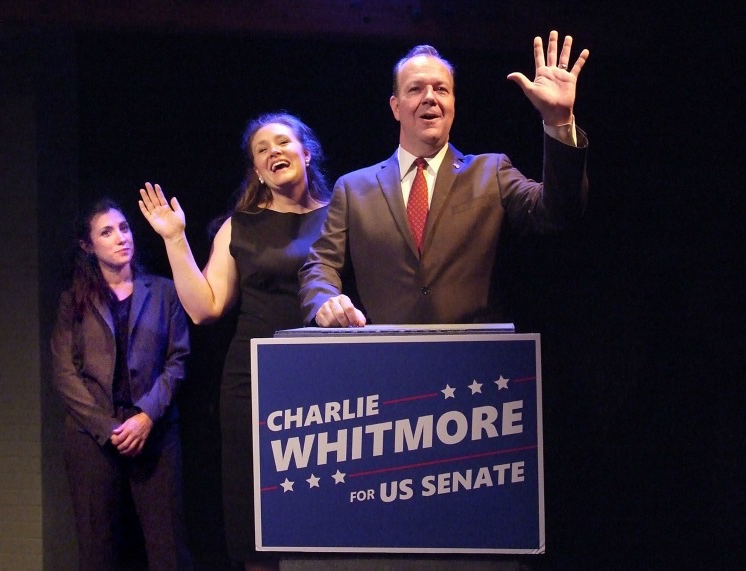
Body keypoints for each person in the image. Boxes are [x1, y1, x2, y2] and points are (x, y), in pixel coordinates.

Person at [138, 112, 331, 571]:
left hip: (327, 378)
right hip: (255, 384)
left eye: (282, 142)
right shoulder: (238, 226)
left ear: (307, 152)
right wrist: (175, 239)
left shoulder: (341, 213)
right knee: (257, 519)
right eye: (261, 151)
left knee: (325, 504)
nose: (273, 153)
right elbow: (205, 308)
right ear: (258, 172)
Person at [299, 31, 590, 327]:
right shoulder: (353, 188)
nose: (430, 98)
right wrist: (324, 300)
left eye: (441, 89)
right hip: (385, 360)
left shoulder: (491, 172)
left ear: (453, 103)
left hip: (472, 364)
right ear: (395, 107)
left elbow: (558, 213)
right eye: (415, 89)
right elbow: (320, 263)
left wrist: (558, 121)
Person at [50, 198, 192, 570]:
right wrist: (108, 427)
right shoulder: (73, 301)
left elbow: (177, 361)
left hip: (155, 432)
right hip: (92, 438)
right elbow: (65, 374)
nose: (120, 238)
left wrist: (146, 415)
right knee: (97, 551)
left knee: (169, 550)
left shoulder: (164, 291)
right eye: (107, 232)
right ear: (88, 245)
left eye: (125, 228)